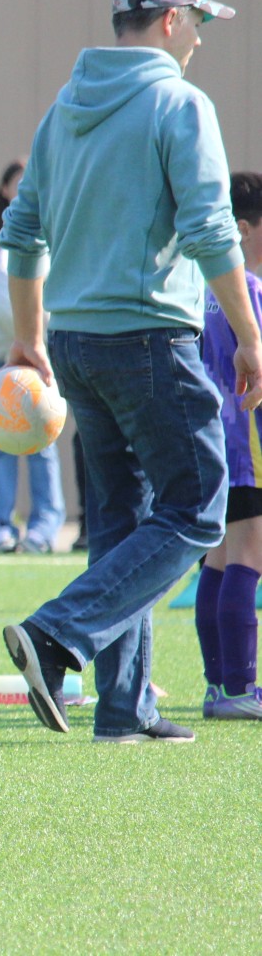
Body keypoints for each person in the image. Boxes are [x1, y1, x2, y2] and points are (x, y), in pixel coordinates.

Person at [1, 0, 262, 744]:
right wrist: (249, 334)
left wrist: (27, 334)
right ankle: (57, 636)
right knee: (197, 509)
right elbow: (215, 232)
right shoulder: (180, 104)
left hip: (75, 341)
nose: (201, 43)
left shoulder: (64, 106)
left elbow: (22, 232)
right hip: (149, 335)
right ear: (172, 21)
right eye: (200, 25)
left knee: (125, 519)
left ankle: (124, 706)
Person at [194, 171, 262, 721]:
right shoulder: (250, 293)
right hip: (247, 442)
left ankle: (220, 685)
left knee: (217, 557)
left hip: (211, 438)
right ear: (243, 229)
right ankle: (239, 687)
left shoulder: (201, 292)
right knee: (246, 553)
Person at [0, 159, 67, 555]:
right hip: (4, 350)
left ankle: (45, 526)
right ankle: (0, 526)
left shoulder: (60, 228)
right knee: (2, 436)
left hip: (43, 348)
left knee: (44, 436)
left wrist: (36, 333)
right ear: (6, 189)